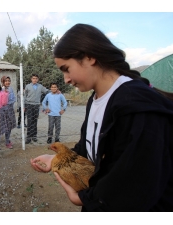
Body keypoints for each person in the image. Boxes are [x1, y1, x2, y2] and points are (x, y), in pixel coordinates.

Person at [30, 23, 173, 211]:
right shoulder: (96, 98)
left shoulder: (137, 107)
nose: (66, 79)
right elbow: (89, 149)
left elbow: (137, 183)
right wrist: (56, 159)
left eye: (67, 69)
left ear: (89, 57)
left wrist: (85, 198)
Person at [24, 74, 49, 144]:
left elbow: (47, 91)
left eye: (36, 78)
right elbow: (24, 96)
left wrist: (55, 91)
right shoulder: (27, 86)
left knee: (35, 121)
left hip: (36, 106)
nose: (35, 80)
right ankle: (28, 137)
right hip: (29, 105)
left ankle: (34, 136)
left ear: (38, 79)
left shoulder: (40, 86)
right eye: (33, 78)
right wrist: (24, 106)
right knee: (29, 121)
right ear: (31, 79)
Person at [1, 76, 16, 149]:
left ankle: (8, 139)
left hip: (10, 110)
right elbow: (2, 101)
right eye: (6, 81)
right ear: (3, 82)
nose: (7, 82)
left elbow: (14, 99)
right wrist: (7, 103)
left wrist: (9, 102)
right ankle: (6, 142)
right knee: (6, 126)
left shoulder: (11, 89)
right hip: (4, 111)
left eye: (8, 80)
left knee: (9, 126)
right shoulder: (1, 90)